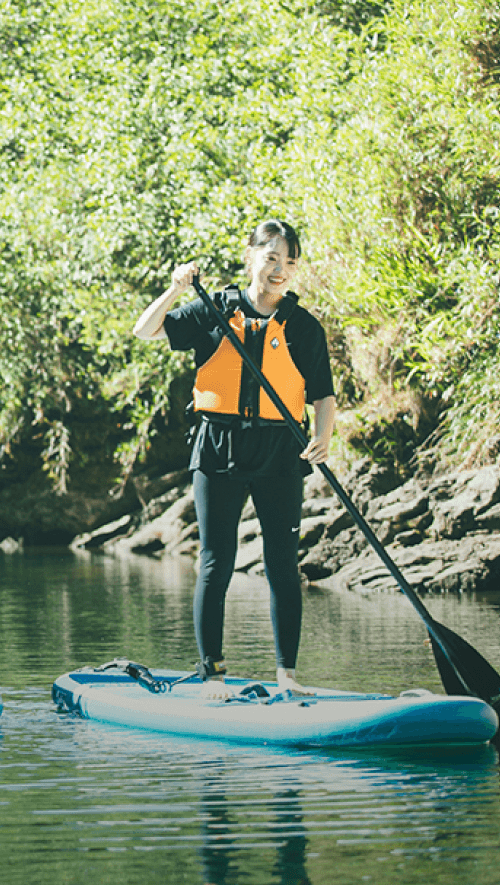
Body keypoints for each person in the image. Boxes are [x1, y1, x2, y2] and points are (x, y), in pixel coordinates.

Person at [132, 219, 337, 700]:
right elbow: (145, 330)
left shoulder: (303, 327)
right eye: (271, 259)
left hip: (280, 451)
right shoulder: (214, 309)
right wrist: (176, 288)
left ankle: (288, 676)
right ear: (251, 258)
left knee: (284, 565)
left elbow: (323, 395)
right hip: (218, 446)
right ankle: (214, 676)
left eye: (289, 262)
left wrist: (323, 437)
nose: (279, 270)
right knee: (215, 562)